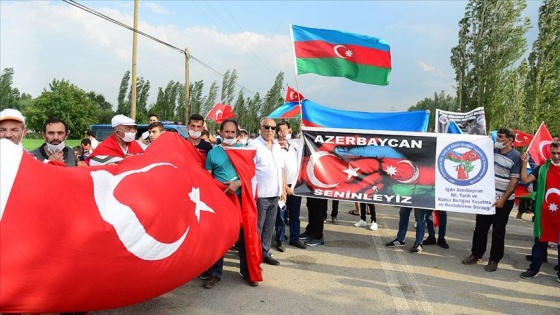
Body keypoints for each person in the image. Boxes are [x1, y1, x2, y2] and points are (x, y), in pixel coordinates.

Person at [202, 119, 258, 288]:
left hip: (241, 200)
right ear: (220, 132)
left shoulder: (244, 152)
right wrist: (220, 189)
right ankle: (215, 273)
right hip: (221, 200)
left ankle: (247, 272)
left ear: (237, 133)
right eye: (226, 132)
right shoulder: (213, 153)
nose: (230, 135)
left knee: (243, 235)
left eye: (233, 132)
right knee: (219, 236)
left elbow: (250, 176)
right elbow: (207, 177)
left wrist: (237, 184)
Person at [462, 128, 521, 271]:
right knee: (480, 228)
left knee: (498, 230)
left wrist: (503, 199)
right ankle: (476, 254)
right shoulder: (492, 152)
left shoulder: (516, 157)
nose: (498, 139)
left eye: (500, 137)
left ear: (510, 140)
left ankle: (494, 260)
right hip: (487, 198)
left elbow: (513, 182)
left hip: (503, 200)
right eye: (497, 137)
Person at [519, 141, 560, 282]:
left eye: (558, 153)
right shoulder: (542, 169)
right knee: (539, 243)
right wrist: (524, 163)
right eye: (553, 153)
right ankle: (533, 269)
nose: (555, 156)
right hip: (544, 214)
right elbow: (525, 180)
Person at [248, 118, 286, 265]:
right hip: (260, 195)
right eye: (266, 127)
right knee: (257, 227)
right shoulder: (253, 145)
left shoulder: (277, 146)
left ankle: (265, 253)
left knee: (269, 228)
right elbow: (249, 171)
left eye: (272, 128)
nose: (269, 130)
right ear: (261, 127)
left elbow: (280, 169)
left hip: (275, 194)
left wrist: (282, 188)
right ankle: (254, 257)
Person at [274, 121, 306, 251]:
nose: (283, 133)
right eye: (280, 131)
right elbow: (278, 169)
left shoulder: (294, 144)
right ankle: (280, 239)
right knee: (280, 216)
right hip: (282, 186)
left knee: (295, 215)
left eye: (286, 130)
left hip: (295, 186)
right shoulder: (275, 147)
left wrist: (303, 127)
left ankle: (294, 238)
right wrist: (285, 188)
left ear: (290, 130)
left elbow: (305, 138)